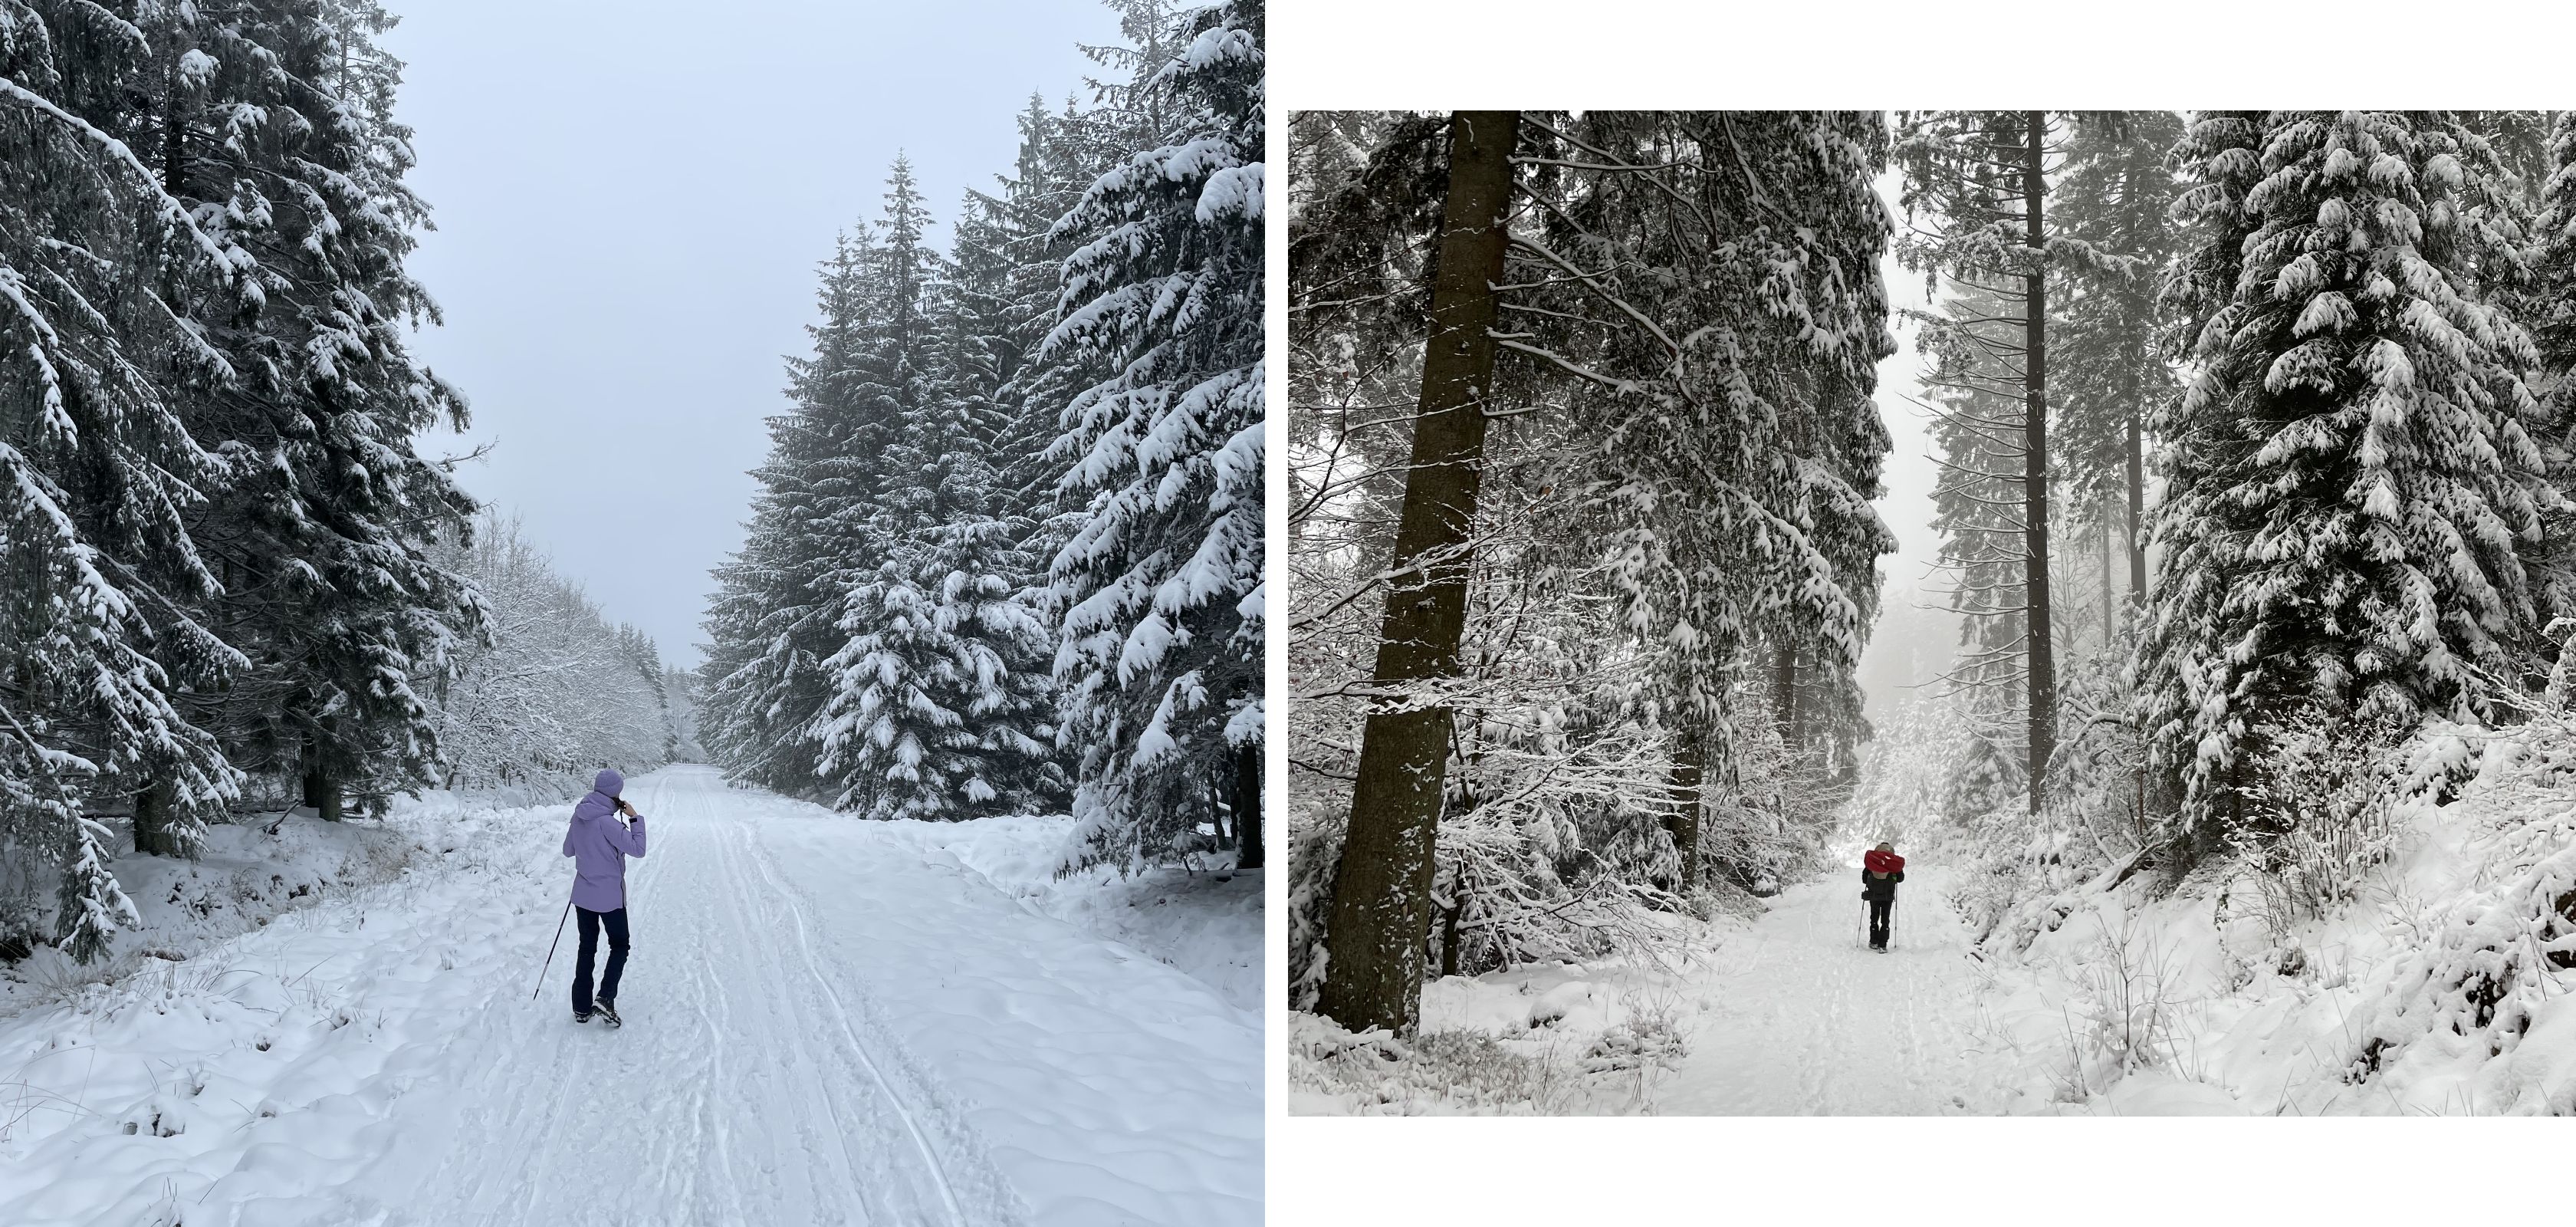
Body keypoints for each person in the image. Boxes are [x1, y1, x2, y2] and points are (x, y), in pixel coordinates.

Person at [562, 768, 646, 1025]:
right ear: (615, 794)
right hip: (610, 898)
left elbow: (568, 851)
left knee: (586, 947)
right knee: (620, 946)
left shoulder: (580, 817)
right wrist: (635, 819)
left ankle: (581, 1007)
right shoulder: (608, 823)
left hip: (584, 896)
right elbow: (638, 849)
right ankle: (606, 998)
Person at [1861, 841, 1904, 952]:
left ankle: (1873, 942)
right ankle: (1883, 945)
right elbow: (1900, 879)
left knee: (1874, 919)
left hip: (1874, 896)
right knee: (1885, 920)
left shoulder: (1873, 863)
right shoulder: (1893, 864)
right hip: (1888, 897)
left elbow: (1864, 879)